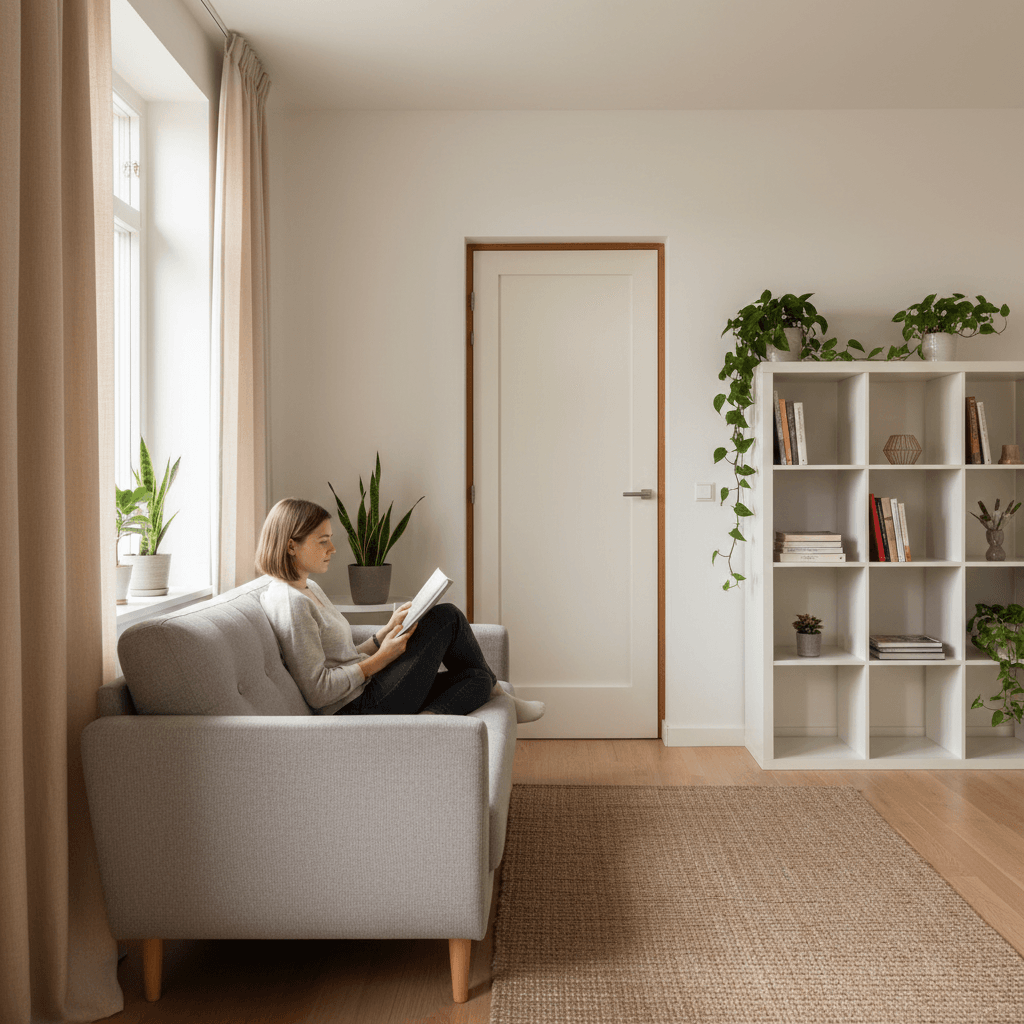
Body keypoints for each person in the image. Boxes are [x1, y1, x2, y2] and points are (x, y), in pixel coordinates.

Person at [255, 497, 545, 722]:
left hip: (365, 690)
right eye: (323, 541)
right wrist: (381, 659)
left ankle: (429, 721)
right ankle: (499, 695)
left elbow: (340, 656)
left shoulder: (308, 587)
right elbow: (319, 692)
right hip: (354, 708)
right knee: (446, 617)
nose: (332, 549)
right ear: (291, 546)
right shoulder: (291, 604)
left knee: (476, 679)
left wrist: (383, 635)